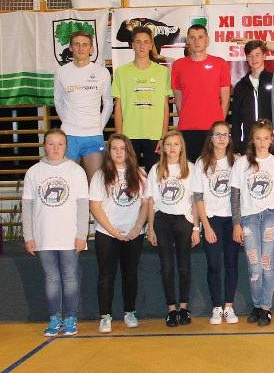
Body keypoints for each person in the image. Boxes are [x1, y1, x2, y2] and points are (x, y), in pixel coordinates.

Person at [22, 129, 89, 336]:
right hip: (44, 236)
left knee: (70, 277)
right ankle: (54, 318)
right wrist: (28, 236)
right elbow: (27, 206)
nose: (56, 148)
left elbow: (83, 205)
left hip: (69, 236)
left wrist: (82, 235)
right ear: (45, 146)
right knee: (51, 279)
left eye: (60, 144)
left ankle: (70, 318)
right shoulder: (33, 172)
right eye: (51, 144)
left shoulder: (76, 171)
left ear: (66, 147)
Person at [230, 119, 274, 327]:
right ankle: (256, 304)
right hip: (249, 218)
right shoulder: (241, 163)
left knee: (267, 263)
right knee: (254, 265)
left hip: (271, 216)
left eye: (266, 139)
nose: (262, 143)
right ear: (252, 140)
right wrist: (236, 223)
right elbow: (235, 196)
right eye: (258, 139)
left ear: (271, 139)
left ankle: (266, 307)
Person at [89, 134, 148, 333]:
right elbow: (95, 206)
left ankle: (129, 312)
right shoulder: (100, 175)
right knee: (106, 275)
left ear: (128, 151)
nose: (118, 152)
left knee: (130, 275)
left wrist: (137, 228)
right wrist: (112, 230)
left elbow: (146, 203)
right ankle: (105, 316)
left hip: (133, 234)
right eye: (114, 148)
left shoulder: (139, 174)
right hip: (107, 234)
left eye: (122, 148)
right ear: (109, 152)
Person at [144, 130, 200, 327]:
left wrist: (196, 228)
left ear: (181, 147)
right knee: (167, 266)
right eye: (168, 144)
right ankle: (171, 309)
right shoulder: (156, 170)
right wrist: (150, 228)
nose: (172, 148)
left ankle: (183, 307)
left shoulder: (190, 168)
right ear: (163, 148)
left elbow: (195, 200)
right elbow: (151, 201)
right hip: (162, 221)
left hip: (184, 221)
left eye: (176, 144)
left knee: (184, 266)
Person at [192, 122, 238, 325]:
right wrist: (205, 226)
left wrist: (239, 223)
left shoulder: (237, 161)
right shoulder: (202, 163)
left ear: (229, 139)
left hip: (232, 220)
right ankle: (217, 306)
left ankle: (229, 306)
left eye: (225, 135)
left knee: (231, 263)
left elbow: (240, 195)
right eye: (218, 134)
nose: (221, 138)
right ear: (211, 138)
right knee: (214, 264)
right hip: (211, 219)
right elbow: (198, 197)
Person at [54, 31, 112, 183]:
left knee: (95, 183)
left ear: (91, 49)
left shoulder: (102, 72)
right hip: (69, 135)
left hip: (93, 135)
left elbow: (108, 103)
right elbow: (58, 101)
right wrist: (68, 122)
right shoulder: (61, 71)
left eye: (85, 45)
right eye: (77, 44)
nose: (81, 48)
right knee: (68, 182)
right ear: (71, 48)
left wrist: (99, 126)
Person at [112, 26, 172, 171]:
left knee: (155, 177)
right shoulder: (121, 72)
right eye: (138, 42)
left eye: (146, 42)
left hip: (154, 135)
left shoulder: (163, 72)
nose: (142, 46)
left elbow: (165, 106)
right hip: (129, 135)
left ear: (151, 45)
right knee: (129, 177)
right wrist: (120, 138)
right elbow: (118, 107)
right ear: (132, 45)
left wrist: (163, 136)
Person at [171, 24, 231, 161]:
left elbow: (226, 99)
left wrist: (219, 126)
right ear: (187, 40)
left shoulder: (220, 63)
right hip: (187, 128)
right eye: (192, 38)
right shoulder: (178, 65)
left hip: (213, 129)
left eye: (200, 37)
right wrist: (186, 117)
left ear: (207, 40)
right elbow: (178, 99)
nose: (196, 41)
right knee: (190, 169)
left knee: (213, 169)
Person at [231, 40, 274, 156]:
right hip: (247, 144)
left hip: (270, 142)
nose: (254, 59)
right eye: (250, 56)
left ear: (264, 56)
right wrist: (236, 146)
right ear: (246, 58)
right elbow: (235, 119)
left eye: (257, 55)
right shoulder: (241, 86)